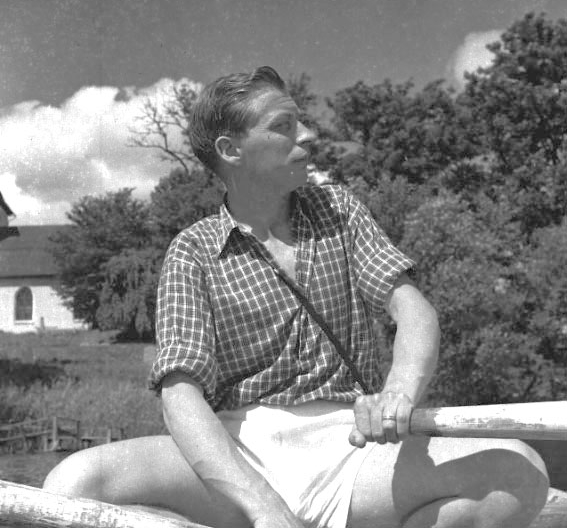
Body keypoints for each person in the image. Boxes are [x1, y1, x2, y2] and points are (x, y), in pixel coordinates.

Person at [44, 66, 549, 528]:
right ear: (231, 150)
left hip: (354, 446)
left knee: (518, 469)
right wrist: (264, 507)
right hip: (237, 451)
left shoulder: (339, 210)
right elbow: (180, 395)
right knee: (74, 482)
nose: (308, 135)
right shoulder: (192, 250)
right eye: (284, 126)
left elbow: (412, 309)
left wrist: (397, 393)